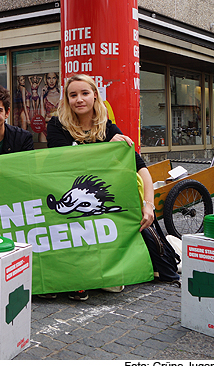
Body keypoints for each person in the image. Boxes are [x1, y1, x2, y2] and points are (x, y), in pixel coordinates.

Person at [46, 73, 155, 301]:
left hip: (97, 201)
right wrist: (106, 149)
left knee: (161, 266)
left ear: (95, 96)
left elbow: (141, 169)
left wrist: (149, 205)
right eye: (73, 94)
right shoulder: (57, 125)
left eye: (85, 93)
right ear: (66, 99)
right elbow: (63, 160)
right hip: (66, 194)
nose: (79, 99)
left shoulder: (108, 128)